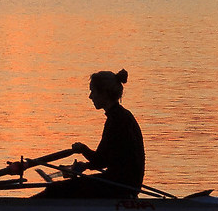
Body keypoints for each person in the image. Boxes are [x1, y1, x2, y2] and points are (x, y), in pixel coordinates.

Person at [37, 69, 145, 199]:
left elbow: (99, 161)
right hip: (125, 182)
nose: (90, 96)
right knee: (65, 188)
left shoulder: (117, 120)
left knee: (55, 189)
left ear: (104, 93)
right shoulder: (122, 115)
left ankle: (28, 210)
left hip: (120, 186)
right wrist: (86, 166)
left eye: (93, 91)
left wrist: (83, 149)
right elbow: (108, 159)